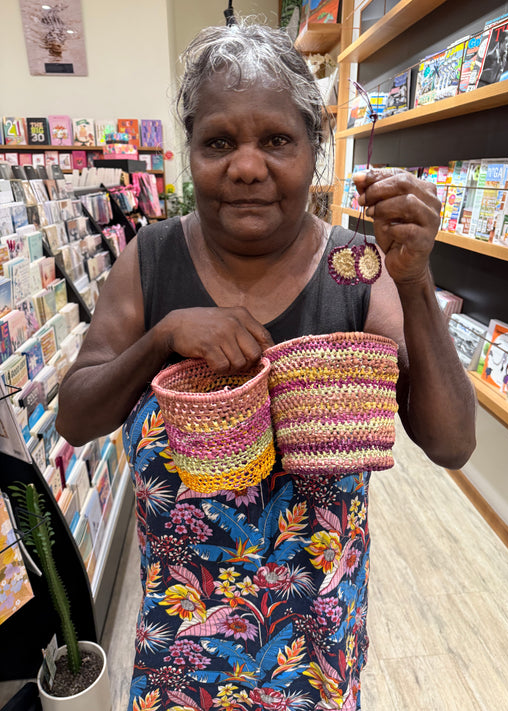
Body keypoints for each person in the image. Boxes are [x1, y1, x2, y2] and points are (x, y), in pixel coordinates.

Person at [56, 22, 476, 711]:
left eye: (276, 140)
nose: (246, 166)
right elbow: (77, 413)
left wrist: (415, 281)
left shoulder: (355, 270)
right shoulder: (151, 262)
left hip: (311, 648)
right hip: (180, 650)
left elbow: (451, 441)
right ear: (190, 149)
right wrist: (162, 338)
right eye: (218, 141)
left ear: (315, 147)